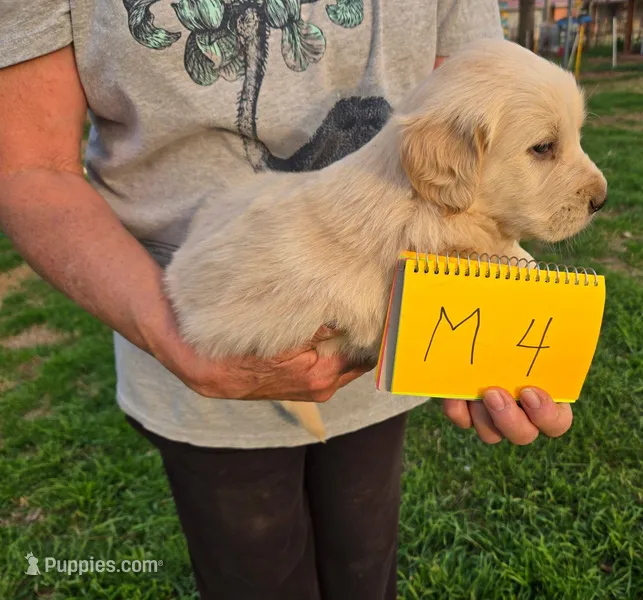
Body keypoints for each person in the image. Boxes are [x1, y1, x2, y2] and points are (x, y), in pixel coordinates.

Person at [0, 1, 574, 598]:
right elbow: (29, 167)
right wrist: (175, 336)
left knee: (366, 566)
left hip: (377, 365)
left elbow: (468, 136)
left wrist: (471, 323)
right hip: (203, 331)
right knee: (257, 576)